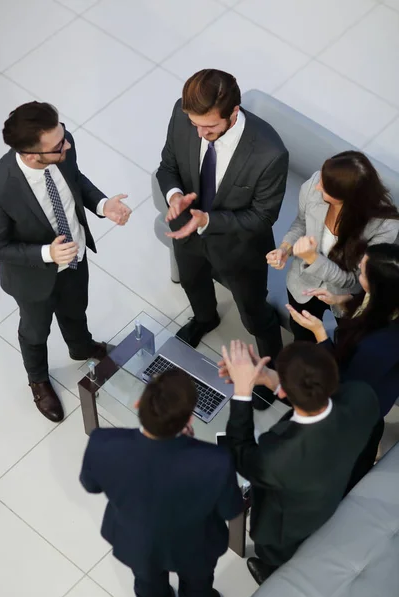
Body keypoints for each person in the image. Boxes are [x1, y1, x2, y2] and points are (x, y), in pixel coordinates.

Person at [0, 102, 131, 423]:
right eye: (59, 145)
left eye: (64, 136)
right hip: (32, 275)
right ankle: (39, 380)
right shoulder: (2, 186)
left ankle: (81, 347)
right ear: (32, 155)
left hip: (75, 256)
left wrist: (102, 205)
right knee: (35, 330)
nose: (68, 144)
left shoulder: (61, 143)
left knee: (75, 307)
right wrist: (47, 254)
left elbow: (75, 180)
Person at [157, 68, 289, 368]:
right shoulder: (182, 115)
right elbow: (167, 166)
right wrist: (175, 196)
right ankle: (205, 318)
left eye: (210, 126)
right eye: (195, 124)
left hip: (239, 248)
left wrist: (208, 222)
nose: (200, 134)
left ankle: (270, 368)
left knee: (254, 314)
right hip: (185, 231)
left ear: (234, 112)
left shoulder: (270, 152)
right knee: (192, 281)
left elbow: (262, 216)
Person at [219, 340, 380, 585]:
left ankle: (272, 570)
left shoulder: (277, 457)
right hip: (336, 486)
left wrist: (242, 391)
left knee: (272, 551)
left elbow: (241, 455)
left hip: (289, 525)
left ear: (283, 393)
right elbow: (337, 393)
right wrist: (273, 379)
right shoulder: (363, 395)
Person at [80, 368, 243, 597]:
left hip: (139, 542)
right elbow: (231, 509)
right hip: (196, 545)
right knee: (198, 588)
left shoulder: (102, 443)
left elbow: (91, 485)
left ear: (138, 404)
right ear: (189, 419)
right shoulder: (215, 461)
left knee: (148, 586)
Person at [266, 151, 399, 341]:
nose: (318, 186)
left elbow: (355, 281)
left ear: (347, 198)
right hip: (303, 284)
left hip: (346, 299)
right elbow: (301, 222)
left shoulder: (384, 226)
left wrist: (313, 259)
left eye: (325, 187)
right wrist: (285, 247)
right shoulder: (314, 184)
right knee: (303, 336)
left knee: (345, 342)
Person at [287, 242, 399, 418]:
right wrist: (339, 299)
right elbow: (367, 305)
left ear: (378, 286)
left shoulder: (380, 345)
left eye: (362, 273)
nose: (357, 271)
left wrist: (320, 333)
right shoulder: (389, 297)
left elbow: (345, 383)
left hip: (364, 400)